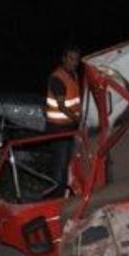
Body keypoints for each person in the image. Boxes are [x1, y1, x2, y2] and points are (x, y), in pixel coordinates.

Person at [45, 44, 82, 192]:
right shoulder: (58, 78)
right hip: (58, 128)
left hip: (69, 127)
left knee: (68, 163)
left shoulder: (73, 75)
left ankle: (65, 192)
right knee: (59, 165)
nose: (74, 63)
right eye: (71, 59)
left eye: (76, 60)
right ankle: (56, 195)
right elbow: (61, 106)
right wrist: (77, 119)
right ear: (64, 59)